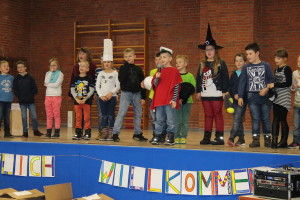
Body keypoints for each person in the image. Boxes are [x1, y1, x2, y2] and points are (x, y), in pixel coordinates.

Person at [196, 24, 229, 145]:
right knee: (208, 115)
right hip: (205, 94)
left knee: (217, 114)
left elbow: (225, 77)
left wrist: (225, 91)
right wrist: (198, 91)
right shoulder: (202, 64)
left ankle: (219, 137)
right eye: (207, 49)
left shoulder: (221, 63)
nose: (209, 51)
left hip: (217, 93)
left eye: (211, 49)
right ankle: (206, 137)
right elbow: (198, 78)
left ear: (215, 50)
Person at [238, 42, 274, 148]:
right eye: (247, 54)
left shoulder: (266, 66)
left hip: (265, 97)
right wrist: (240, 96)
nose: (248, 56)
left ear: (257, 53)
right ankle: (256, 139)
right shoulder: (245, 68)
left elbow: (271, 80)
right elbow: (242, 83)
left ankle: (268, 139)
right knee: (255, 118)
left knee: (266, 118)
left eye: (250, 54)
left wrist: (266, 89)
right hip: (252, 97)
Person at [112, 48, 147, 142]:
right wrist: (126, 66)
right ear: (124, 58)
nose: (128, 58)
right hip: (126, 93)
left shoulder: (138, 69)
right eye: (126, 57)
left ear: (134, 57)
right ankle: (115, 133)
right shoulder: (123, 68)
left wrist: (143, 97)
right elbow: (121, 79)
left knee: (138, 114)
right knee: (122, 113)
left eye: (130, 56)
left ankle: (137, 133)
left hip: (137, 94)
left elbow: (142, 83)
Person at [151, 47, 182, 145]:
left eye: (164, 57)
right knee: (159, 119)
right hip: (159, 100)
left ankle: (171, 136)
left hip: (169, 100)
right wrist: (157, 77)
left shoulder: (174, 71)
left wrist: (174, 99)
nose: (162, 59)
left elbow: (176, 86)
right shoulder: (158, 72)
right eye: (160, 58)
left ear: (170, 59)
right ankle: (158, 136)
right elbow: (155, 85)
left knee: (170, 120)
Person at [141, 53, 167, 143]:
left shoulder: (167, 71)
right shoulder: (153, 72)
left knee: (162, 118)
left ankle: (162, 136)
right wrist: (143, 84)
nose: (158, 61)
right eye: (156, 60)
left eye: (160, 59)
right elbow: (149, 83)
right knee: (154, 119)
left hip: (162, 99)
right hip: (152, 98)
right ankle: (155, 135)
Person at [13, 61, 43, 138]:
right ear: (17, 69)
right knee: (24, 117)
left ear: (25, 68)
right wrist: (20, 96)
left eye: (22, 67)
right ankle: (25, 132)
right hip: (22, 101)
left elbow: (35, 89)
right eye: (18, 67)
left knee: (34, 116)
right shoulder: (16, 79)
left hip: (31, 101)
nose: (20, 68)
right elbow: (15, 90)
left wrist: (30, 95)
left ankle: (35, 130)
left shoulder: (30, 78)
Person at [271, 48, 292, 148]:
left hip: (284, 97)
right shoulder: (276, 70)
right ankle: (274, 140)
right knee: (275, 119)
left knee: (283, 119)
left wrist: (275, 84)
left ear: (285, 59)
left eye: (279, 58)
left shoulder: (287, 68)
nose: (276, 60)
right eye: (275, 57)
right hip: (276, 97)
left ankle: (284, 141)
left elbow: (288, 83)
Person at [95, 57, 120, 141]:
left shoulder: (115, 73)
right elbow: (97, 86)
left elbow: (118, 86)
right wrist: (101, 95)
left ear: (112, 63)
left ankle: (111, 133)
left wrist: (111, 93)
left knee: (111, 115)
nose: (106, 64)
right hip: (102, 98)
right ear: (102, 63)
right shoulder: (100, 73)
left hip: (111, 97)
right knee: (103, 115)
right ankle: (104, 133)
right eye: (105, 62)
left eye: (108, 62)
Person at [70, 61, 95, 140]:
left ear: (87, 69)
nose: (81, 67)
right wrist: (76, 98)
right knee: (78, 117)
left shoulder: (89, 79)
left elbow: (91, 90)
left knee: (86, 117)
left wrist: (85, 98)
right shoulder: (75, 78)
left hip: (86, 102)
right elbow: (72, 89)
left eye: (84, 66)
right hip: (77, 102)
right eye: (81, 66)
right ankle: (78, 132)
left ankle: (87, 132)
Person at [227, 53, 247, 146]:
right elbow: (230, 87)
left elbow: (246, 87)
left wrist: (240, 95)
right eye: (236, 61)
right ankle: (242, 139)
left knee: (237, 119)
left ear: (244, 62)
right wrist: (232, 93)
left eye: (240, 60)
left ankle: (232, 137)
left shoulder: (246, 74)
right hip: (234, 101)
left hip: (242, 100)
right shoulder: (234, 74)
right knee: (238, 120)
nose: (238, 63)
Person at [175, 55, 196, 144]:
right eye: (176, 62)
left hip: (188, 102)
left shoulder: (190, 76)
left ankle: (183, 136)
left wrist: (184, 98)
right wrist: (178, 99)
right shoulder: (175, 75)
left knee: (185, 120)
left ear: (185, 64)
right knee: (177, 120)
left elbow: (192, 88)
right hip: (176, 102)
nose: (177, 64)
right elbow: (173, 89)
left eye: (179, 62)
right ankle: (176, 136)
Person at [44, 58, 64, 138]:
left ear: (58, 66)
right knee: (49, 115)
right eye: (51, 65)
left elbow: (56, 84)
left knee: (56, 114)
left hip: (56, 95)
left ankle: (57, 131)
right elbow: (46, 81)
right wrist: (50, 74)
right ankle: (48, 131)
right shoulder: (48, 73)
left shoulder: (60, 74)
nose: (52, 67)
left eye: (54, 65)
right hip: (48, 95)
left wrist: (48, 84)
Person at [0, 60, 14, 138]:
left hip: (8, 100)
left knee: (7, 117)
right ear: (0, 69)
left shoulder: (11, 78)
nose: (6, 67)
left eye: (7, 66)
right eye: (4, 66)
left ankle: (7, 132)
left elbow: (14, 88)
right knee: (0, 116)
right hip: (0, 100)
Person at [289, 55, 300, 148]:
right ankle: (296, 141)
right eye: (298, 61)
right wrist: (294, 86)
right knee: (296, 124)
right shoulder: (295, 73)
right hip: (297, 103)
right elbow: (292, 88)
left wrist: (299, 82)